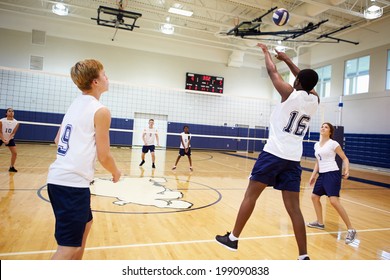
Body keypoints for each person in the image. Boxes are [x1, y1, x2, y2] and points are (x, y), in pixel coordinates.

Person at [215, 43, 320, 260]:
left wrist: (267, 53)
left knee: (250, 196)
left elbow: (273, 72)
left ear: (297, 82)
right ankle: (303, 256)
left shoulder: (290, 93)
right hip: (293, 159)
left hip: (273, 154)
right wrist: (289, 60)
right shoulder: (315, 100)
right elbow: (306, 80)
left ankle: (233, 239)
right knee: (295, 210)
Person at [46, 59, 121, 260]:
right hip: (71, 185)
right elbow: (104, 155)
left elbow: (56, 139)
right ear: (95, 82)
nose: (107, 78)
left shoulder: (75, 104)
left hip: (60, 180)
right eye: (104, 74)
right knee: (67, 248)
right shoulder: (101, 111)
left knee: (86, 224)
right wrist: (115, 172)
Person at [307, 122, 356, 244]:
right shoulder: (316, 145)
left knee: (333, 201)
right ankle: (319, 223)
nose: (323, 128)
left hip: (332, 173)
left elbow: (345, 158)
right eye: (322, 126)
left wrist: (347, 170)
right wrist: (313, 176)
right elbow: (318, 162)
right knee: (314, 197)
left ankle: (351, 229)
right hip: (322, 174)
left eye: (326, 127)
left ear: (330, 132)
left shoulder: (333, 143)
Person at [0, 108, 20, 172]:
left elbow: (13, 132)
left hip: (10, 138)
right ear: (6, 113)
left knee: (14, 153)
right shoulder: (1, 121)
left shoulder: (16, 122)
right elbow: (0, 131)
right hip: (0, 137)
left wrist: (8, 140)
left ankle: (11, 167)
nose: (11, 112)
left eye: (12, 111)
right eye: (9, 111)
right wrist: (3, 139)